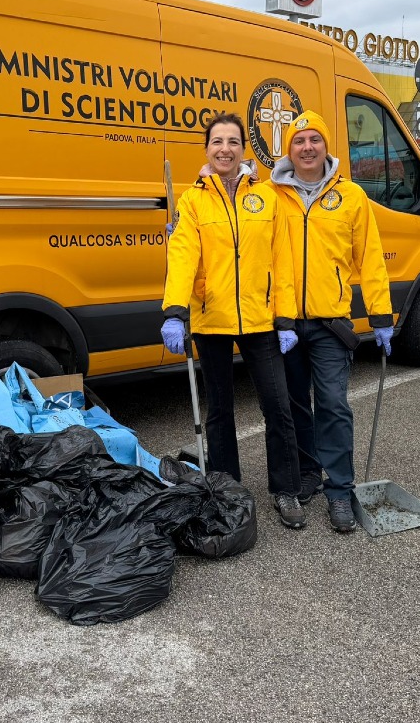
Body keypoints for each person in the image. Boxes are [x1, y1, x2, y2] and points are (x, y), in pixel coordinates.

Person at [160, 112, 306, 528]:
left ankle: (287, 490)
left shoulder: (267, 198)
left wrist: (286, 319)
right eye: (217, 141)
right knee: (220, 411)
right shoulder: (193, 200)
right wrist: (175, 311)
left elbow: (281, 261)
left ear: (244, 149)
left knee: (278, 406)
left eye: (233, 141)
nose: (225, 148)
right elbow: (183, 256)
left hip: (261, 319)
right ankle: (227, 490)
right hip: (212, 319)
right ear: (207, 149)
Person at [270, 110, 395, 533]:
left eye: (314, 139)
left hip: (329, 324)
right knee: (292, 406)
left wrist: (381, 315)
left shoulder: (352, 196)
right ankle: (307, 474)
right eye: (299, 140)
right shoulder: (271, 195)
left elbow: (370, 259)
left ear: (327, 146)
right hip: (284, 324)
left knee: (333, 405)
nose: (307, 147)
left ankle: (339, 489)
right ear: (289, 149)